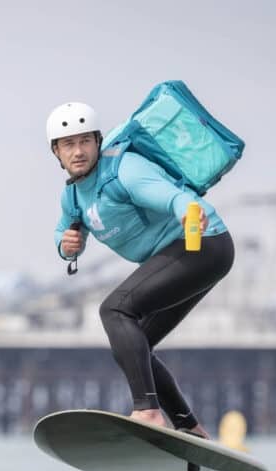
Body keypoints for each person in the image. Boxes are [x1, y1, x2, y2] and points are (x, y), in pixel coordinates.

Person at [47, 102, 235, 438]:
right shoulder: (73, 197)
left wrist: (186, 208)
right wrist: (67, 247)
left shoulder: (123, 169)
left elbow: (168, 196)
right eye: (68, 145)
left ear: (98, 142)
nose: (78, 151)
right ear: (56, 153)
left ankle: (147, 411)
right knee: (134, 347)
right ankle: (190, 428)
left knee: (115, 310)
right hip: (186, 253)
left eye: (85, 141)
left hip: (201, 244)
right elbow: (63, 234)